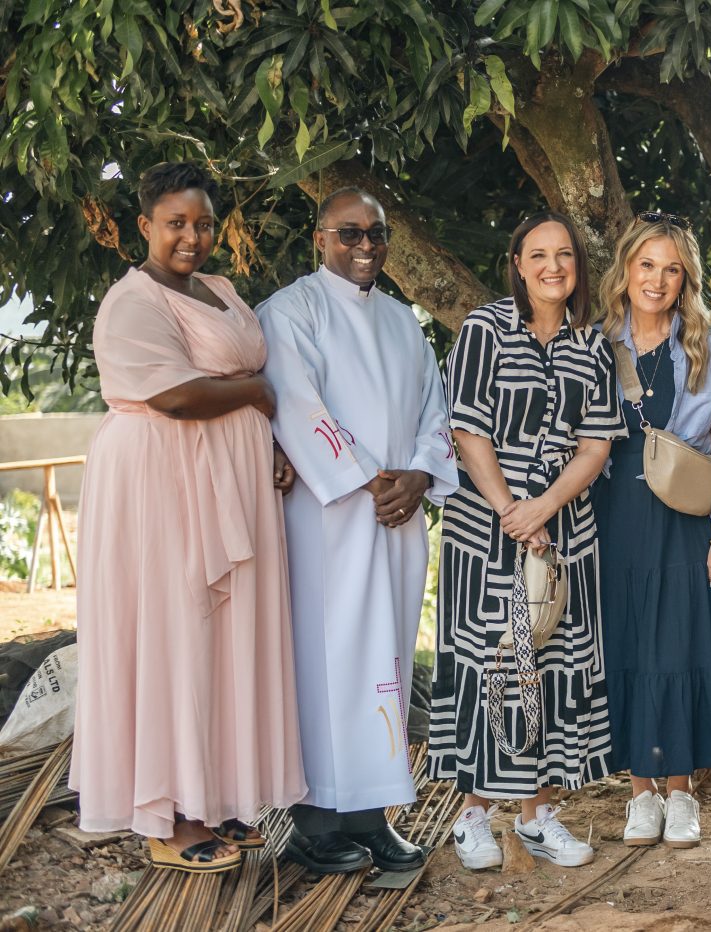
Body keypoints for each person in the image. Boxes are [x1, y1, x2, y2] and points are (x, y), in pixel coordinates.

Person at [71, 161, 307, 873]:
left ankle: (215, 795)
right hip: (161, 482)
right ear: (144, 225)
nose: (191, 237)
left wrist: (271, 440)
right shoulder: (131, 302)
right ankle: (167, 815)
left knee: (221, 642)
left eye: (203, 224)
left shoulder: (221, 290)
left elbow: (225, 382)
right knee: (173, 636)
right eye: (175, 223)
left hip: (228, 480)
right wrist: (258, 393)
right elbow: (175, 397)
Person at [258, 187, 458, 875]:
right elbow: (297, 405)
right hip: (329, 522)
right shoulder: (291, 312)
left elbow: (436, 412)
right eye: (350, 233)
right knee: (327, 663)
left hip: (396, 521)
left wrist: (421, 476)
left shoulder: (404, 322)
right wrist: (372, 478)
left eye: (377, 233)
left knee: (385, 663)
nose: (366, 245)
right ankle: (314, 825)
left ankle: (371, 819)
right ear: (320, 237)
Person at [429, 212, 626, 871]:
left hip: (562, 528)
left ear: (578, 266)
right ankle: (473, 816)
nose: (553, 267)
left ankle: (538, 815)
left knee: (554, 664)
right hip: (485, 528)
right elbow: (466, 430)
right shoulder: (485, 329)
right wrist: (512, 509)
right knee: (491, 662)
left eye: (564, 254)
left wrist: (543, 507)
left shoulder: (591, 345)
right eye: (538, 255)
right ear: (517, 263)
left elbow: (595, 446)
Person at [590, 213, 711, 849]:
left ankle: (680, 792)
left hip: (685, 519)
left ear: (687, 280)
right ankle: (640, 793)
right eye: (646, 265)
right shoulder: (596, 344)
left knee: (679, 647)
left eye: (672, 269)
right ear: (626, 270)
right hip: (612, 519)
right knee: (626, 645)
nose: (656, 280)